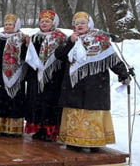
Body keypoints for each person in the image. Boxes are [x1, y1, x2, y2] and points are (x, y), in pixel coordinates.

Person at [55, 12, 128, 150]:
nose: (79, 25)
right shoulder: (71, 39)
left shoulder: (100, 39)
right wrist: (70, 42)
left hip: (95, 84)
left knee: (93, 111)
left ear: (90, 24)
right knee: (75, 111)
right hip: (74, 85)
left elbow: (112, 59)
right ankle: (73, 141)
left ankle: (95, 142)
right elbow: (59, 55)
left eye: (83, 22)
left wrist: (123, 73)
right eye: (77, 23)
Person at [24, 10, 68, 141]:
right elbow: (27, 57)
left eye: (47, 21)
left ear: (53, 22)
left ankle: (50, 130)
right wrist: (26, 45)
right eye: (42, 21)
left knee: (50, 102)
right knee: (36, 102)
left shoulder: (61, 38)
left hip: (53, 76)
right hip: (36, 75)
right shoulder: (35, 37)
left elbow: (64, 56)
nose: (44, 23)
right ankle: (39, 128)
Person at [0, 14, 28, 137]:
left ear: (16, 26)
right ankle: (0, 126)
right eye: (6, 24)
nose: (7, 27)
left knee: (13, 99)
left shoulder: (22, 38)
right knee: (0, 98)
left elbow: (26, 56)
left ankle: (13, 128)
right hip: (0, 74)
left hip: (16, 73)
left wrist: (27, 46)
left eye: (10, 25)